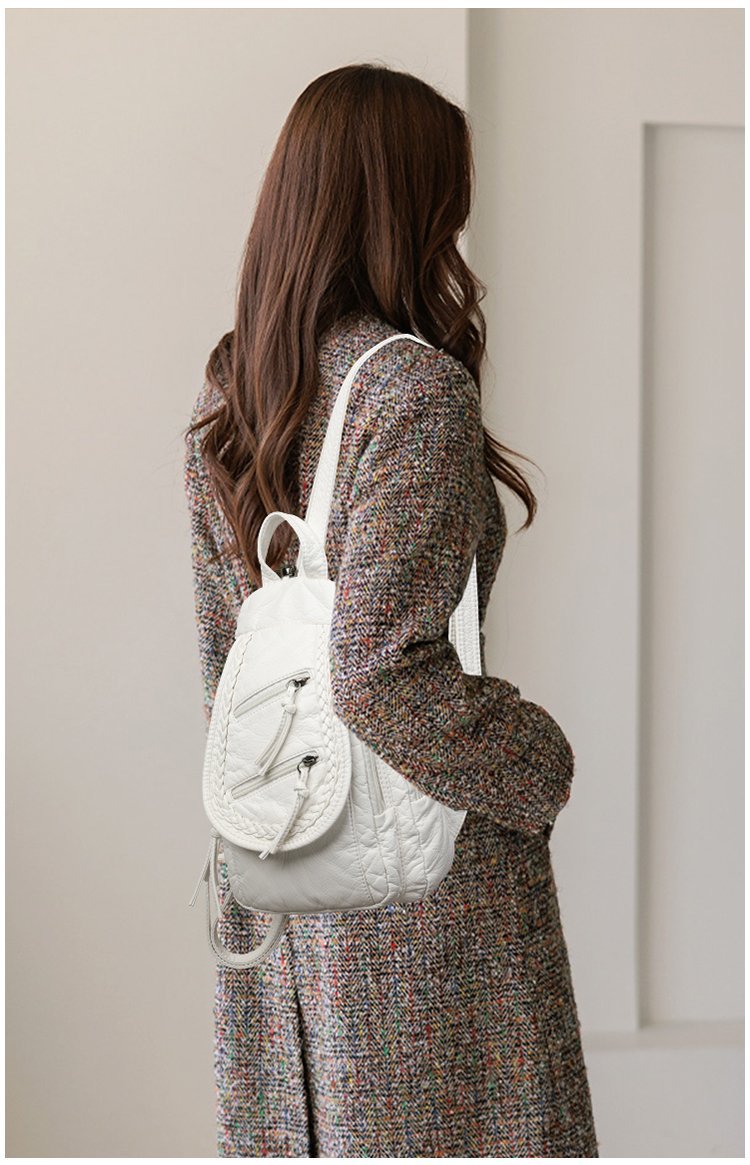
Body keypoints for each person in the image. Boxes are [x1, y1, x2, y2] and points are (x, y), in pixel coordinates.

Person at [183, 62, 599, 1159]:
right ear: (408, 201)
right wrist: (535, 760)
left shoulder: (236, 392)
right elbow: (380, 675)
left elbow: (230, 673)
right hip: (426, 888)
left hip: (282, 868)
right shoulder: (412, 389)